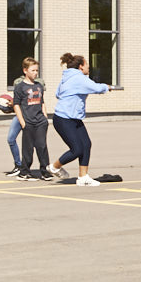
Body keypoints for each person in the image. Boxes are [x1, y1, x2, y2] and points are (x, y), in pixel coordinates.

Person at [51, 53, 112, 187]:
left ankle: (83, 177)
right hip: (63, 118)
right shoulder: (78, 78)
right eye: (86, 64)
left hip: (73, 118)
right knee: (77, 149)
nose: (89, 67)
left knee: (86, 144)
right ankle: (54, 167)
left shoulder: (67, 77)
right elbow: (96, 88)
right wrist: (107, 87)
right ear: (80, 67)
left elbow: (57, 94)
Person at [12, 58, 51, 180]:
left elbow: (42, 102)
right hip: (28, 122)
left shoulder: (39, 86)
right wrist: (22, 122)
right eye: (33, 70)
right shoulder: (20, 87)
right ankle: (25, 171)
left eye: (37, 70)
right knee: (28, 148)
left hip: (40, 121)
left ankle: (45, 171)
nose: (35, 73)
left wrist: (45, 117)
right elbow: (16, 105)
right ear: (25, 70)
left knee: (42, 146)